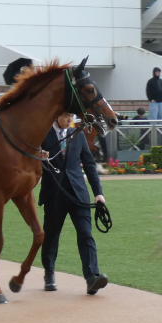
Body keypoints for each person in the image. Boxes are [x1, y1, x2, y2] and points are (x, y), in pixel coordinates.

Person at [39, 112, 108, 295]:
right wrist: (39, 157)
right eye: (65, 116)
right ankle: (49, 273)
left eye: (71, 116)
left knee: (86, 234)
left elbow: (89, 164)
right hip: (54, 194)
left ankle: (92, 278)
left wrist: (98, 193)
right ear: (55, 116)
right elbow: (30, 162)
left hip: (79, 193)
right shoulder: (42, 134)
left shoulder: (78, 134)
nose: (70, 119)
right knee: (52, 236)